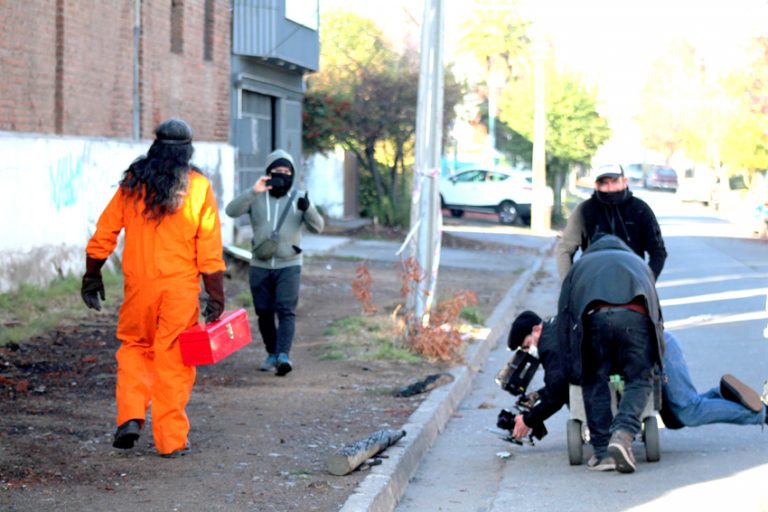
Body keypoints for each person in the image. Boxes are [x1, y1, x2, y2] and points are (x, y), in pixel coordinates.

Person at [81, 118, 226, 458]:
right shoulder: (198, 186)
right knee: (173, 360)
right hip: (179, 289)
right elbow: (209, 247)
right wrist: (215, 294)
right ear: (188, 149)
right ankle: (170, 440)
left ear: (155, 145)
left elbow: (105, 231)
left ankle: (130, 416)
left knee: (134, 347)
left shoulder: (133, 183)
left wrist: (92, 273)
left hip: (139, 286)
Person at [506, 313, 768, 472]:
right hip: (650, 346)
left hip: (658, 348)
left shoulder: (551, 341)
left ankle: (762, 414)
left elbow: (558, 388)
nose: (530, 351)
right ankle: (722, 394)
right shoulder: (557, 330)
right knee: (676, 418)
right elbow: (560, 383)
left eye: (527, 344)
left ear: (536, 329)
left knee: (688, 412)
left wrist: (528, 420)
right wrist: (537, 398)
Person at [558, 234, 664, 473]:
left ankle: (604, 452)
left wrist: (571, 365)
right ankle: (624, 434)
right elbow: (656, 313)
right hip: (635, 318)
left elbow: (565, 315)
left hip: (594, 319)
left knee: (594, 380)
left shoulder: (581, 265)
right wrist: (657, 358)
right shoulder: (638, 263)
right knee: (639, 378)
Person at [225, 149, 324, 376]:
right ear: (268, 173)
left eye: (287, 171)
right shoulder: (257, 196)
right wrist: (253, 191)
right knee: (264, 312)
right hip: (259, 264)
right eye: (277, 171)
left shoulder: (300, 197)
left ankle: (283, 356)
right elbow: (231, 211)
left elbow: (318, 227)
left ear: (293, 173)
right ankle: (271, 353)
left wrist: (307, 209)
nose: (282, 175)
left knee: (286, 311)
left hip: (289, 264)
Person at [555, 164, 667, 282]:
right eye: (604, 183)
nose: (610, 187)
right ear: (596, 185)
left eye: (614, 181)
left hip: (633, 281)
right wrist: (569, 284)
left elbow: (658, 250)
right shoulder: (584, 211)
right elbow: (565, 249)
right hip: (593, 282)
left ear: (624, 181)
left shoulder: (640, 209)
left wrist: (648, 279)